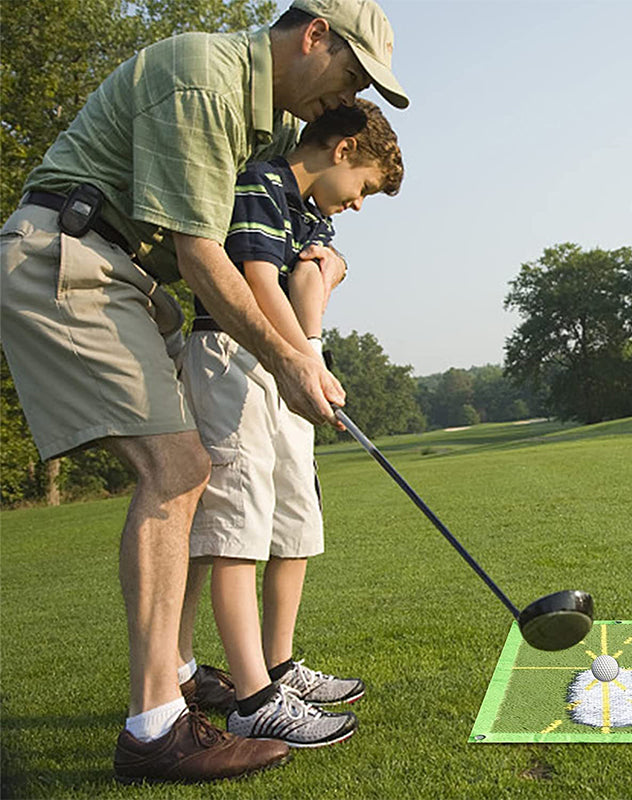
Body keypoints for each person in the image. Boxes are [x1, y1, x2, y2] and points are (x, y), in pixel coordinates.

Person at [0, 0, 408, 784]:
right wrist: (291, 359)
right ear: (313, 35)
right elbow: (199, 253)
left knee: (194, 475)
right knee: (177, 468)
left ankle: (181, 673)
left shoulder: (278, 119)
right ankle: (154, 727)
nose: (350, 98)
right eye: (352, 74)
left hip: (123, 276)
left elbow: (315, 179)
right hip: (69, 256)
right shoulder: (205, 80)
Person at [178, 99, 403, 749]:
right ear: (342, 149)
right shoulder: (262, 183)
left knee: (294, 518)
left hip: (283, 361)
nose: (359, 204)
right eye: (363, 187)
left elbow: (309, 279)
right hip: (230, 352)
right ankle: (253, 698)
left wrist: (322, 284)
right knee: (239, 523)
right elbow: (257, 283)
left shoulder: (309, 213)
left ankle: (279, 665)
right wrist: (307, 359)